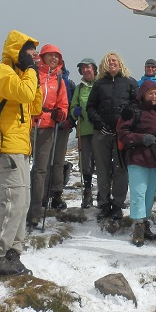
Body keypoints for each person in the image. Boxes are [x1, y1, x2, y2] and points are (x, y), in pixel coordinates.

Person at [0, 31, 43, 276]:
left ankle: (12, 253)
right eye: (30, 53)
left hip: (20, 147)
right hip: (6, 146)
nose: (34, 58)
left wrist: (32, 74)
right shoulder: (1, 72)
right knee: (12, 201)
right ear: (17, 52)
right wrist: (31, 72)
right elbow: (24, 94)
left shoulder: (21, 75)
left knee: (22, 203)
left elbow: (34, 105)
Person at [86, 51, 138, 219]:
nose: (111, 63)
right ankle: (104, 203)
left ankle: (118, 203)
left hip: (121, 132)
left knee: (121, 169)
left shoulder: (129, 82)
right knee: (102, 169)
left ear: (120, 63)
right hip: (101, 132)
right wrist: (98, 123)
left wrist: (128, 119)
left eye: (114, 60)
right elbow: (91, 107)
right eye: (108, 61)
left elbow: (137, 104)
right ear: (104, 65)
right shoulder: (99, 84)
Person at [28, 44, 70, 225]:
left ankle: (35, 211)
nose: (54, 58)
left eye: (57, 56)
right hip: (28, 125)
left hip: (47, 127)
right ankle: (24, 205)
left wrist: (61, 113)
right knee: (25, 168)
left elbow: (63, 103)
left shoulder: (58, 80)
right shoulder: (32, 74)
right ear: (43, 57)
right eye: (50, 55)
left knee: (40, 169)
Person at [117, 80, 156, 245]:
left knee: (150, 194)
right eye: (151, 93)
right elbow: (123, 133)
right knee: (139, 193)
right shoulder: (133, 111)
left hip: (155, 159)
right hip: (137, 157)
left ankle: (145, 223)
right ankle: (138, 227)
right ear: (143, 94)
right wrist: (141, 138)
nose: (154, 96)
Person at [70, 58, 97, 208]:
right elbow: (73, 107)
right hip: (84, 130)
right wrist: (75, 111)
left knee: (101, 163)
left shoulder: (100, 85)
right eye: (83, 68)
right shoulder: (79, 88)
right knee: (86, 163)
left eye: (89, 67)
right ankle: (87, 193)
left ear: (94, 69)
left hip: (100, 130)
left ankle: (102, 193)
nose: (86, 70)